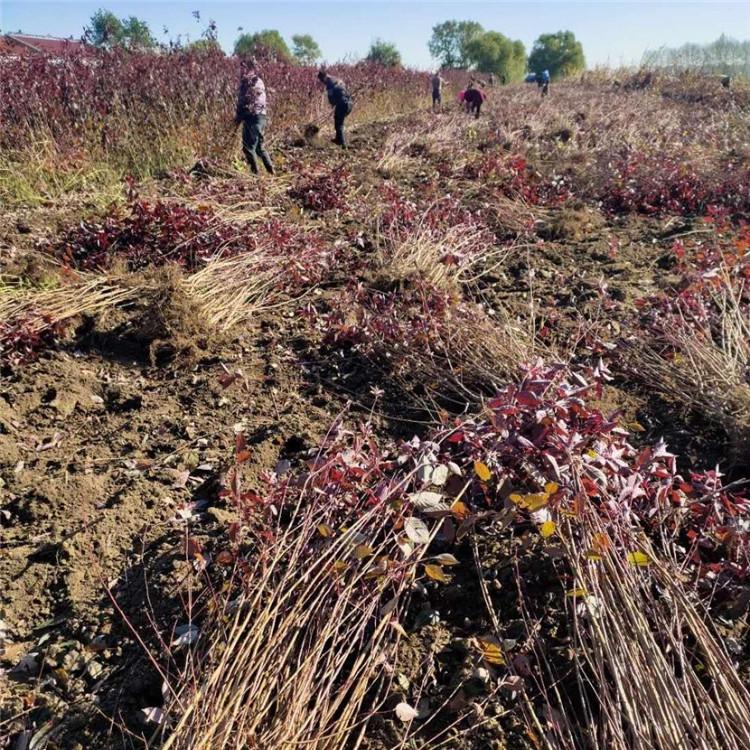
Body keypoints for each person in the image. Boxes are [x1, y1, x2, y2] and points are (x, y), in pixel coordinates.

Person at [234, 58, 274, 175]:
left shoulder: (250, 81)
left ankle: (255, 174)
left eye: (243, 68)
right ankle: (271, 171)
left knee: (248, 148)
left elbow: (246, 101)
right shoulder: (256, 80)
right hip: (257, 117)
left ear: (249, 69)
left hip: (253, 117)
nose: (240, 71)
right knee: (258, 147)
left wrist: (239, 116)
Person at [318, 68, 353, 147]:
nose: (322, 82)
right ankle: (338, 139)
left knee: (339, 124)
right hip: (349, 102)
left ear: (324, 77)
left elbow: (331, 99)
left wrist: (333, 104)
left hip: (343, 104)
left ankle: (343, 144)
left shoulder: (329, 84)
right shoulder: (337, 79)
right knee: (337, 119)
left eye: (321, 80)